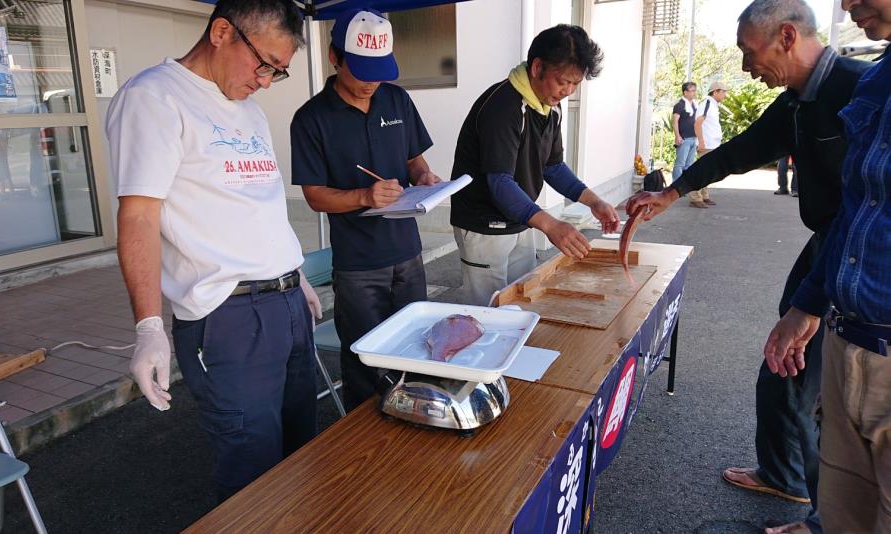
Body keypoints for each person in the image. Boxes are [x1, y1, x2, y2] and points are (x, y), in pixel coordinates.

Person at [625, 1, 871, 532]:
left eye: (747, 52)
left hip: (858, 254)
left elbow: (869, 206)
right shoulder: (797, 102)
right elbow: (743, 148)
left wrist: (812, 304)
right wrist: (672, 192)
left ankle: (822, 517)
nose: (744, 67)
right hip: (825, 245)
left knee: (828, 389)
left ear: (786, 36)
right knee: (784, 365)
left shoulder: (861, 87)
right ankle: (784, 473)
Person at [107, 0, 321, 503]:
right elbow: (138, 215)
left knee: (303, 453)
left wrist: (295, 273)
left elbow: (258, 204)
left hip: (286, 303)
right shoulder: (155, 98)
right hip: (228, 317)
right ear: (222, 31)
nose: (267, 81)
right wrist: (148, 326)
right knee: (252, 469)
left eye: (279, 71)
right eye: (264, 63)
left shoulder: (247, 107)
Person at [763, 1, 891, 530]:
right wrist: (808, 303)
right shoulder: (876, 81)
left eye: (753, 53)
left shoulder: (848, 78)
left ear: (787, 38)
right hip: (847, 333)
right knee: (844, 514)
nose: (845, 4)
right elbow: (856, 207)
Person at [290, 9, 439, 412]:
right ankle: (365, 452)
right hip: (358, 265)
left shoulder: (397, 99)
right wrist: (363, 197)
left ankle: (416, 419)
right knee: (364, 360)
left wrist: (424, 176)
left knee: (416, 348)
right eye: (361, 70)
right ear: (334, 57)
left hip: (407, 252)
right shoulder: (311, 119)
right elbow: (315, 196)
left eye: (380, 70)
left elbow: (414, 161)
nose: (371, 81)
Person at [449, 24, 618, 307]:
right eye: (563, 81)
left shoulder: (550, 106)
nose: (568, 91)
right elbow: (499, 182)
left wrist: (593, 201)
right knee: (486, 310)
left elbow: (552, 166)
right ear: (537, 67)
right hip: (483, 223)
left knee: (523, 299)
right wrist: (550, 224)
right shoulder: (503, 107)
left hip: (521, 216)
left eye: (575, 84)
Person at [694, 80, 727, 208]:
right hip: (706, 145)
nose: (725, 95)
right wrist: (701, 142)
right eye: (723, 92)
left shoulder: (713, 105)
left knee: (708, 172)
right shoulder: (707, 103)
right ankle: (695, 198)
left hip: (712, 144)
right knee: (702, 171)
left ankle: (704, 196)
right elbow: (697, 123)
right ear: (715, 92)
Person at [672, 81, 705, 207]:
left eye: (695, 90)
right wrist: (677, 136)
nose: (694, 93)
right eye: (692, 90)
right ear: (685, 92)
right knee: (680, 163)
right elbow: (675, 121)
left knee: (689, 165)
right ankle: (676, 187)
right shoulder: (679, 105)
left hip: (693, 138)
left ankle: (685, 187)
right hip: (684, 138)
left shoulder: (695, 105)